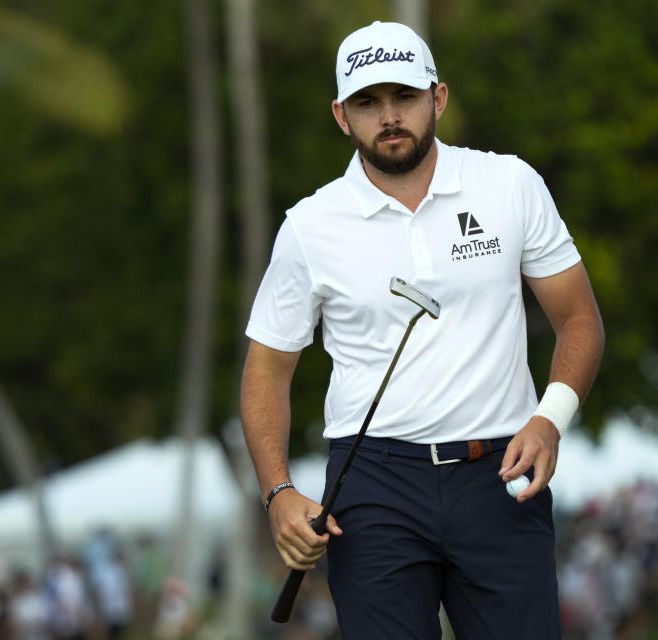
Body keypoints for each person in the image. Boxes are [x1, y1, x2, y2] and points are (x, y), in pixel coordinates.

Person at [240, 20, 604, 639]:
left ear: (437, 98)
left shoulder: (509, 184)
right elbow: (266, 372)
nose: (388, 116)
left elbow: (579, 319)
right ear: (341, 115)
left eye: (404, 97)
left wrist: (550, 421)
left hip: (500, 474)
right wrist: (278, 493)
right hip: (372, 486)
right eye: (367, 102)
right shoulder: (309, 226)